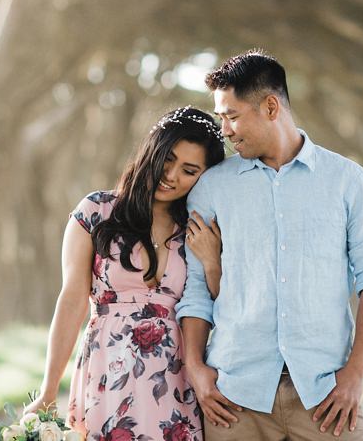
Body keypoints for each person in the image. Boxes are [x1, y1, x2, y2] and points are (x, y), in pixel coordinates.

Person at [176, 51, 363, 441]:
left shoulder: (348, 181)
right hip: (234, 400)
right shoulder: (212, 187)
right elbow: (195, 290)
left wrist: (355, 375)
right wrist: (196, 369)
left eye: (231, 116)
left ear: (270, 106)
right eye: (220, 118)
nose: (224, 130)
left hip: (326, 397)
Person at [24, 107, 226, 441]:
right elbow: (72, 300)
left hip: (175, 381)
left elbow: (219, 303)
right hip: (108, 372)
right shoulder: (96, 212)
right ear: (152, 150)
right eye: (168, 158)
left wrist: (212, 261)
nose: (171, 175)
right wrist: (48, 391)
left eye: (189, 170)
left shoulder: (197, 229)